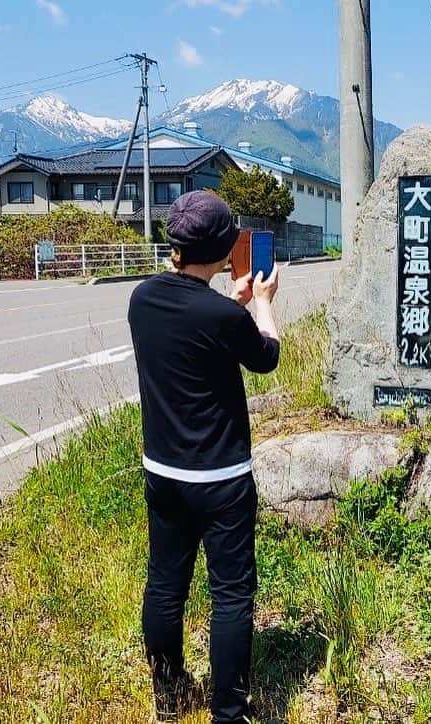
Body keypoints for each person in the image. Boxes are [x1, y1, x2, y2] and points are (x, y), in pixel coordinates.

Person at [127, 190, 280, 722]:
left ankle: (169, 693)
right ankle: (228, 714)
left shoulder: (142, 300)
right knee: (231, 594)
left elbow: (192, 328)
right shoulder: (224, 317)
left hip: (162, 473)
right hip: (221, 479)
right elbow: (265, 357)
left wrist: (231, 306)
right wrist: (261, 306)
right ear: (224, 248)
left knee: (166, 583)